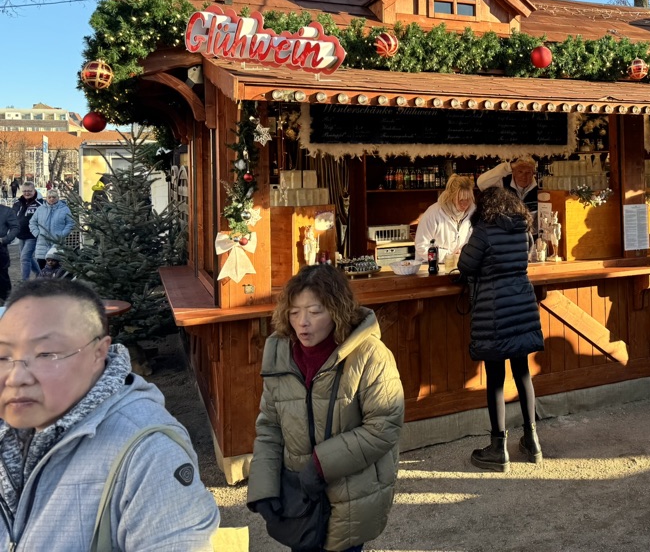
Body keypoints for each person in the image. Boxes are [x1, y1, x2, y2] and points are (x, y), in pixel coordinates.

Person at [0, 279, 219, 550]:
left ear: (98, 352)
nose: (16, 376)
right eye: (3, 356)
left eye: (46, 354)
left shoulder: (148, 453)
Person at [248, 265, 404, 552]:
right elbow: (270, 424)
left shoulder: (370, 355)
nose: (302, 322)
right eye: (294, 312)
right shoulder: (280, 352)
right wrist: (264, 486)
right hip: (300, 499)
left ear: (337, 309)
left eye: (315, 311)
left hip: (350, 495)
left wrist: (320, 465)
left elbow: (384, 427)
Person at [458, 186, 545, 471]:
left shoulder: (484, 231)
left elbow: (466, 265)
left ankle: (498, 449)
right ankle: (532, 443)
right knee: (522, 373)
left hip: (495, 310)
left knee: (495, 377)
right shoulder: (522, 230)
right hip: (521, 304)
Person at [414, 174, 476, 264]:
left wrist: (465, 251)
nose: (465, 204)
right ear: (451, 197)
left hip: (460, 265)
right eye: (460, 200)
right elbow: (421, 246)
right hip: (431, 266)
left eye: (468, 199)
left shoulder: (473, 212)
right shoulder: (433, 213)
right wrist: (449, 256)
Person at [477, 157, 539, 228]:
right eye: (520, 171)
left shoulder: (539, 189)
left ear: (533, 173)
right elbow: (481, 183)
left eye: (528, 172)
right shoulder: (503, 183)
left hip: (529, 235)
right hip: (506, 234)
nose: (524, 176)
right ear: (514, 172)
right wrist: (509, 167)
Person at [29, 188, 74, 270]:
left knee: (56, 268)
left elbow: (70, 222)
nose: (51, 199)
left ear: (58, 198)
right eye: (49, 197)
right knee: (42, 268)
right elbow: (32, 222)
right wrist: (37, 233)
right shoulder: (40, 209)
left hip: (57, 242)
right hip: (42, 243)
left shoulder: (64, 209)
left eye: (54, 197)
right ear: (46, 198)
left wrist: (62, 234)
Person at [12, 182, 43, 280]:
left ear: (34, 190)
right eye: (24, 191)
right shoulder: (18, 202)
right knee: (27, 257)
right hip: (21, 234)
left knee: (24, 257)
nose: (27, 193)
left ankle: (25, 282)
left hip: (33, 235)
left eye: (29, 191)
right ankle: (40, 275)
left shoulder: (40, 203)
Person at [0, 203, 19, 302]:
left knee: (2, 277)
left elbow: (15, 227)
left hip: (0, 249)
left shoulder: (6, 211)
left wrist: (5, 239)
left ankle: (7, 302)